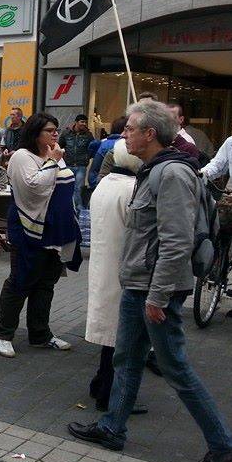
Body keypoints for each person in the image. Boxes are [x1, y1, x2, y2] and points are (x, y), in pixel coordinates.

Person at [69, 101, 232, 462]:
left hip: (153, 291)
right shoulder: (154, 169)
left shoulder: (173, 174)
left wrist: (158, 297)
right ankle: (113, 427)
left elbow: (176, 242)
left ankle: (223, 444)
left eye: (130, 129)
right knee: (126, 359)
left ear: (150, 134)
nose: (123, 134)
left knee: (175, 367)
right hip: (138, 287)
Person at [0, 112, 81, 357]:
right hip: (29, 230)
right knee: (20, 281)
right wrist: (53, 161)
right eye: (50, 130)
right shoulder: (22, 156)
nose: (56, 135)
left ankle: (40, 334)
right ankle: (4, 334)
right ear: (35, 132)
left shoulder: (54, 153)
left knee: (45, 284)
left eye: (56, 131)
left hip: (56, 232)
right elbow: (35, 185)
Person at [85, 140, 142, 411]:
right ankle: (109, 393)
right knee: (122, 337)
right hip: (125, 270)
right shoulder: (133, 189)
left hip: (103, 267)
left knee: (110, 336)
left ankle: (101, 384)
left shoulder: (104, 184)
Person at [59, 114, 94, 210]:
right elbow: (59, 146)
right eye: (82, 122)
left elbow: (92, 148)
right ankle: (69, 206)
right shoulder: (66, 133)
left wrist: (86, 157)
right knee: (68, 187)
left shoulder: (88, 135)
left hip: (81, 166)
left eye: (85, 122)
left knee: (78, 188)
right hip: (68, 164)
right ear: (76, 122)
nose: (84, 124)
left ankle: (78, 207)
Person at [88, 116, 127, 189]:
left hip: (101, 185)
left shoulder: (103, 143)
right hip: (121, 187)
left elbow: (95, 169)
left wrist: (94, 185)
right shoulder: (128, 145)